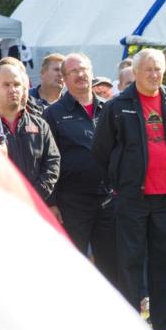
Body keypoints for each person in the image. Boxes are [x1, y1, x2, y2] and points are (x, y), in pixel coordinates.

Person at [92, 48, 166, 330]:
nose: (154, 74)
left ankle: (165, 323)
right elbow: (101, 150)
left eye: (158, 68)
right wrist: (122, 179)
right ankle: (131, 322)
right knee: (131, 260)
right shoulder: (117, 106)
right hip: (132, 197)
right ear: (135, 73)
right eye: (148, 69)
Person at [43, 53, 118, 285]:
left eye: (84, 69)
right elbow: (47, 160)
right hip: (71, 203)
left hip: (108, 200)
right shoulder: (53, 113)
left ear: (92, 73)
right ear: (64, 78)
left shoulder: (110, 109)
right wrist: (51, 202)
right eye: (74, 71)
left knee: (111, 265)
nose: (80, 74)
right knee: (72, 265)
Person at [0, 62, 61, 215]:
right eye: (6, 85)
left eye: (17, 84)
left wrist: (34, 196)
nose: (12, 89)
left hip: (35, 208)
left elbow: (52, 164)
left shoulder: (40, 125)